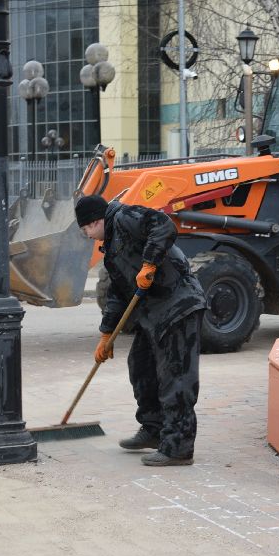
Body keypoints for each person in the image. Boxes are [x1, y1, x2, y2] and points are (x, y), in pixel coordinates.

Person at [76, 193, 207, 466]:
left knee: (175, 376)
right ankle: (154, 429)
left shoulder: (125, 217)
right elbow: (117, 292)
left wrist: (149, 262)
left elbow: (163, 225)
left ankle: (177, 447)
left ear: (97, 220)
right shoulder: (111, 248)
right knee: (141, 365)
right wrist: (106, 335)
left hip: (179, 304)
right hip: (155, 314)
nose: (88, 235)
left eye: (87, 228)